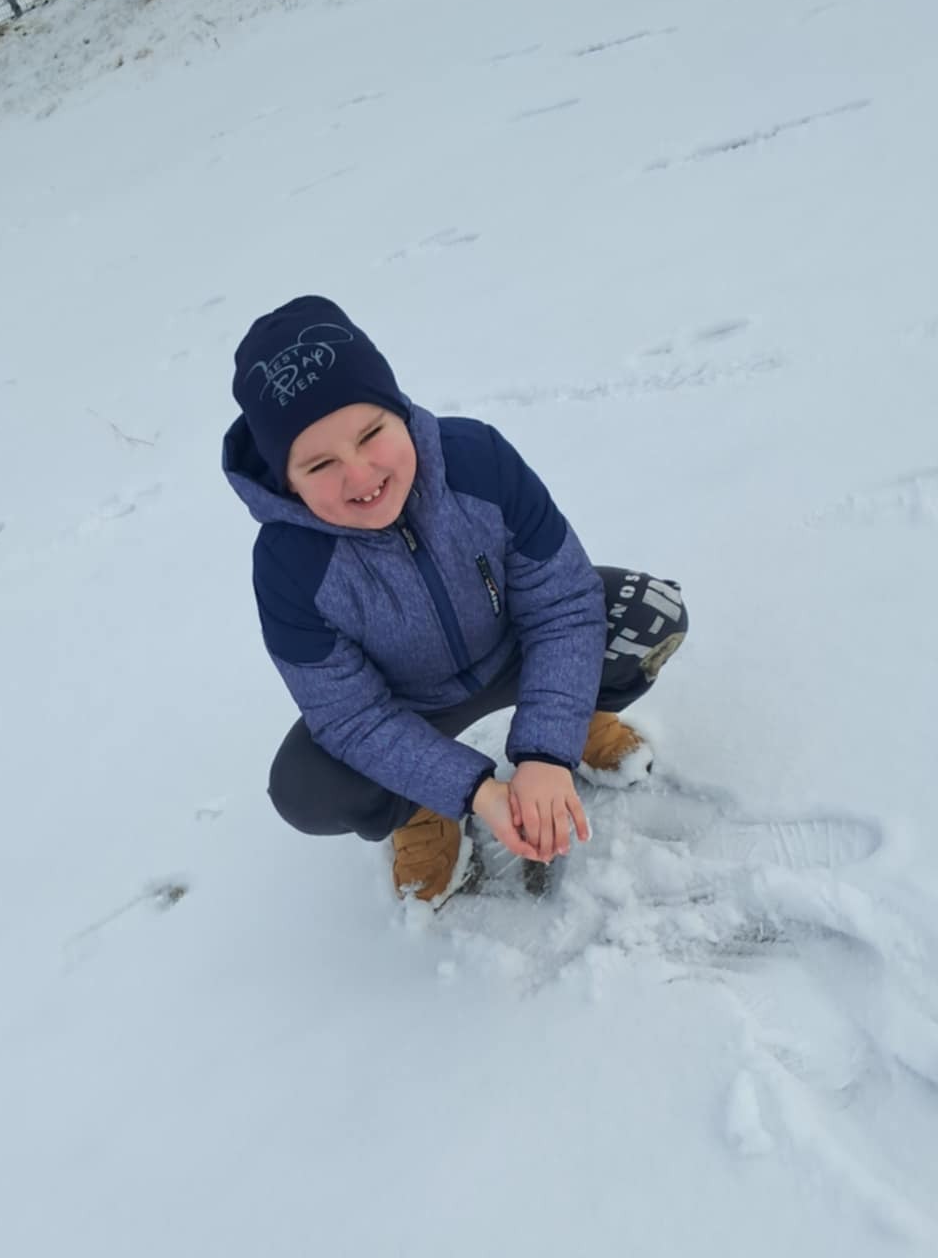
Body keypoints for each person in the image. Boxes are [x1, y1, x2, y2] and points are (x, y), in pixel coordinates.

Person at [223, 297, 688, 903]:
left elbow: (564, 604)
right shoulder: (288, 568)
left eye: (371, 434)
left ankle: (576, 723)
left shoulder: (479, 461)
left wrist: (546, 752)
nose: (360, 476)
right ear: (286, 483)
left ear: (398, 410)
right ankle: (422, 808)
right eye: (320, 465)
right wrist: (474, 792)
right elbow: (352, 718)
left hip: (516, 650)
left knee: (649, 613)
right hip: (409, 707)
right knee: (306, 789)